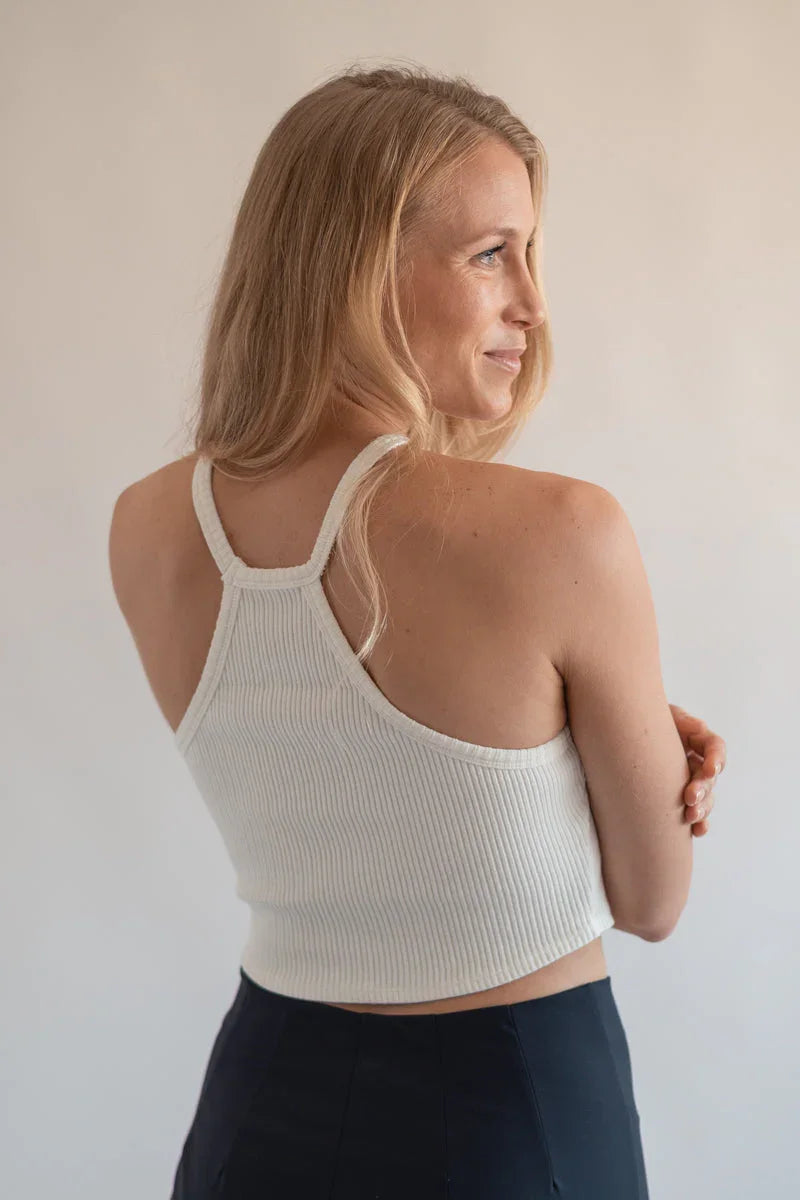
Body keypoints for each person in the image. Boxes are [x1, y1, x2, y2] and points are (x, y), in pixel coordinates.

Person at [108, 63, 725, 1199]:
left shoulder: (148, 524)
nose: (531, 303)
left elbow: (345, 774)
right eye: (490, 254)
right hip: (515, 1119)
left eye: (530, 255)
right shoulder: (561, 532)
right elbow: (653, 902)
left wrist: (565, 744)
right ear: (359, 269)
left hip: (260, 1111)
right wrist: (626, 750)